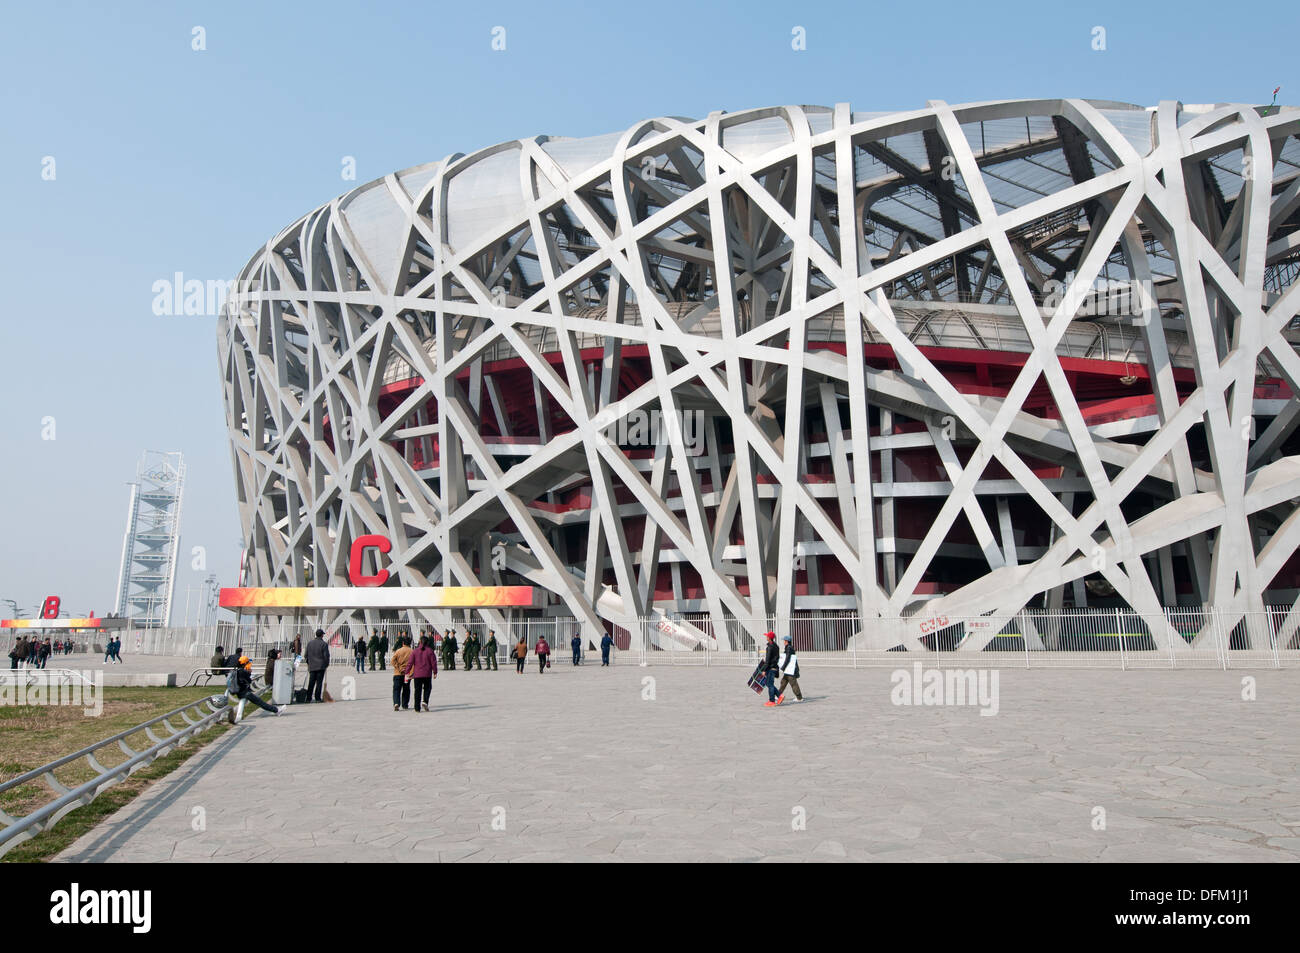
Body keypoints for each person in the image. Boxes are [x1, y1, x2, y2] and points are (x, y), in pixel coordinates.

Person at [228, 653, 287, 720]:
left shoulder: (236, 670)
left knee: (259, 702)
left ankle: (276, 710)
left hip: (240, 692)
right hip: (244, 693)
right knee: (260, 702)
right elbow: (249, 681)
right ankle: (277, 710)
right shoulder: (243, 672)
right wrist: (249, 673)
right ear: (244, 663)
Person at [408, 635, 438, 712]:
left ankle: (417, 707)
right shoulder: (430, 651)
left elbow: (410, 662)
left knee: (417, 691)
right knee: (427, 688)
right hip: (427, 674)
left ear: (420, 642)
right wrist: (435, 672)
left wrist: (407, 671)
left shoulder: (415, 651)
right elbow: (433, 663)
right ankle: (425, 701)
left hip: (417, 674)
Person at [305, 629, 330, 703]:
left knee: (311, 682)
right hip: (320, 666)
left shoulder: (310, 643)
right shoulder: (324, 644)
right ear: (322, 635)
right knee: (319, 683)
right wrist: (326, 665)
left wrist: (309, 663)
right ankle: (317, 698)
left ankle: (308, 698)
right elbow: (326, 656)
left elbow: (306, 655)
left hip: (312, 666)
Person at [776, 634, 802, 704]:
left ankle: (799, 697)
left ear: (787, 641)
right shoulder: (789, 647)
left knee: (793, 683)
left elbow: (787, 658)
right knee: (783, 682)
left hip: (790, 669)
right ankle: (778, 694)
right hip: (788, 669)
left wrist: (783, 667)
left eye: (784, 641)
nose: (783, 642)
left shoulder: (788, 648)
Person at [391, 635, 413, 711]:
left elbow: (393, 661)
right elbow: (414, 663)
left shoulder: (398, 651)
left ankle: (396, 703)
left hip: (398, 673)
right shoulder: (412, 651)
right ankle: (405, 704)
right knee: (406, 689)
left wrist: (399, 668)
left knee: (397, 689)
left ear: (403, 643)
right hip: (407, 674)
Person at [761, 631, 781, 707]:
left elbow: (768, 660)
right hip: (775, 667)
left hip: (771, 668)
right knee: (769, 683)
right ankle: (779, 696)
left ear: (769, 638)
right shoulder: (776, 646)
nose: (766, 637)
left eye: (767, 636)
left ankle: (772, 701)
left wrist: (764, 670)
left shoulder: (769, 647)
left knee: (770, 684)